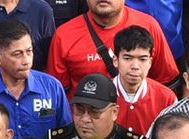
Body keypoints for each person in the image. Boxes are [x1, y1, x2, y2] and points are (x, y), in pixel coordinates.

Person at [0, 21, 68, 139]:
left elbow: (67, 136)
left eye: (29, 51)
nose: (26, 60)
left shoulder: (52, 88)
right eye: (17, 54)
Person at [47, 0, 178, 91]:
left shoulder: (148, 26)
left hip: (139, 123)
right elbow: (57, 94)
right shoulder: (64, 36)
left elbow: (167, 83)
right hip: (87, 125)